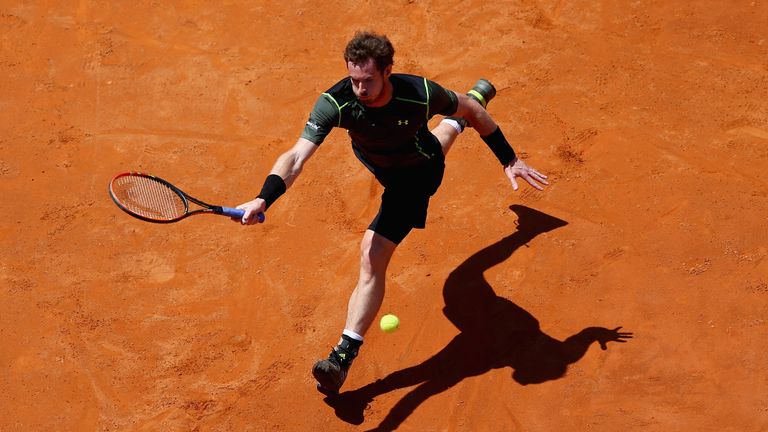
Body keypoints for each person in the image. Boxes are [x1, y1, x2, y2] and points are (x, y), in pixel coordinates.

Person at [233, 31, 549, 395]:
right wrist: (263, 198)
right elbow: (296, 156)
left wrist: (509, 158)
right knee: (444, 139)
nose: (360, 90)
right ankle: (464, 124)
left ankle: (342, 357)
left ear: (388, 71)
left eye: (368, 81)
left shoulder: (419, 93)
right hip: (380, 161)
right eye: (354, 80)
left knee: (373, 254)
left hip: (415, 175)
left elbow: (474, 112)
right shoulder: (335, 103)